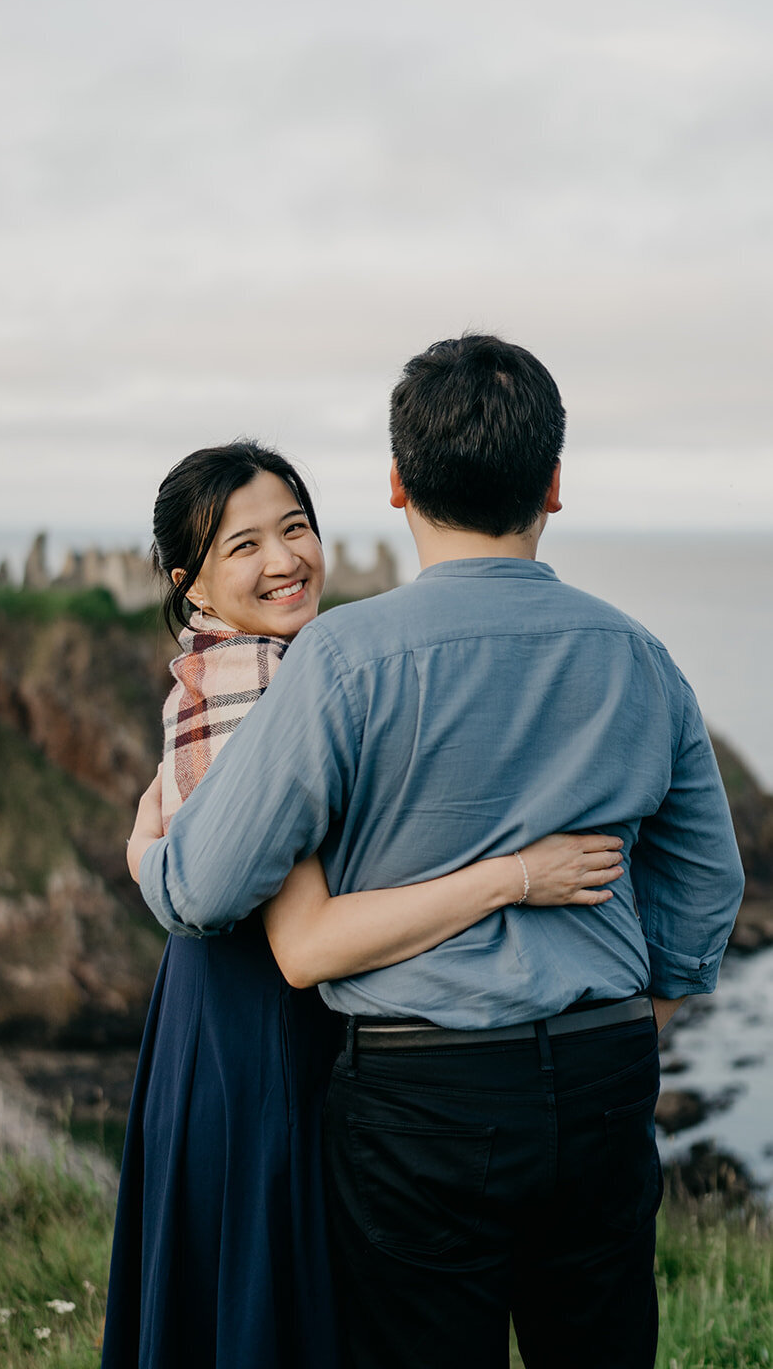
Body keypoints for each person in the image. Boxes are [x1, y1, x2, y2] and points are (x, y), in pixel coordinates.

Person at [133, 342, 745, 1369]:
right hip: (599, 1069)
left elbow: (200, 891)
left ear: (395, 485)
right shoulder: (638, 655)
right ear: (551, 483)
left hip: (420, 1090)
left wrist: (147, 847)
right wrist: (635, 1018)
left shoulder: (338, 662)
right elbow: (704, 885)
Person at [103, 438, 626, 1369]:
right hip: (259, 1018)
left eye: (294, 527)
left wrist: (148, 851)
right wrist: (517, 876)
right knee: (279, 1297)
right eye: (243, 546)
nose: (283, 559)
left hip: (239, 1016)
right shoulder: (260, 681)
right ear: (189, 583)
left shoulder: (270, 659)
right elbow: (300, 942)